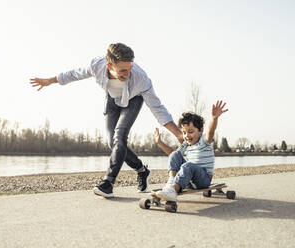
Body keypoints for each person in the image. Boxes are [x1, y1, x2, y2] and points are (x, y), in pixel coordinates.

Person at [30, 43, 183, 198]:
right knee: (112, 143)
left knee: (119, 136)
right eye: (123, 70)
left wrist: (177, 133)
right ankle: (142, 170)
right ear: (110, 65)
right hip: (111, 100)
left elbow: (157, 107)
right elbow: (75, 74)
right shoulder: (96, 65)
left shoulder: (141, 78)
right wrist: (51, 80)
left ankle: (108, 183)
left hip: (133, 100)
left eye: (130, 68)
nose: (128, 73)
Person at [154, 100, 228, 201]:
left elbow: (210, 132)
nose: (187, 136)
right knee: (175, 154)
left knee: (188, 165)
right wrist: (159, 142)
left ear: (201, 130)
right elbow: (172, 155)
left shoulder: (204, 141)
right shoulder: (186, 145)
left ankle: (173, 191)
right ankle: (171, 183)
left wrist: (214, 119)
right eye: (184, 132)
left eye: (191, 132)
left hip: (203, 180)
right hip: (188, 178)